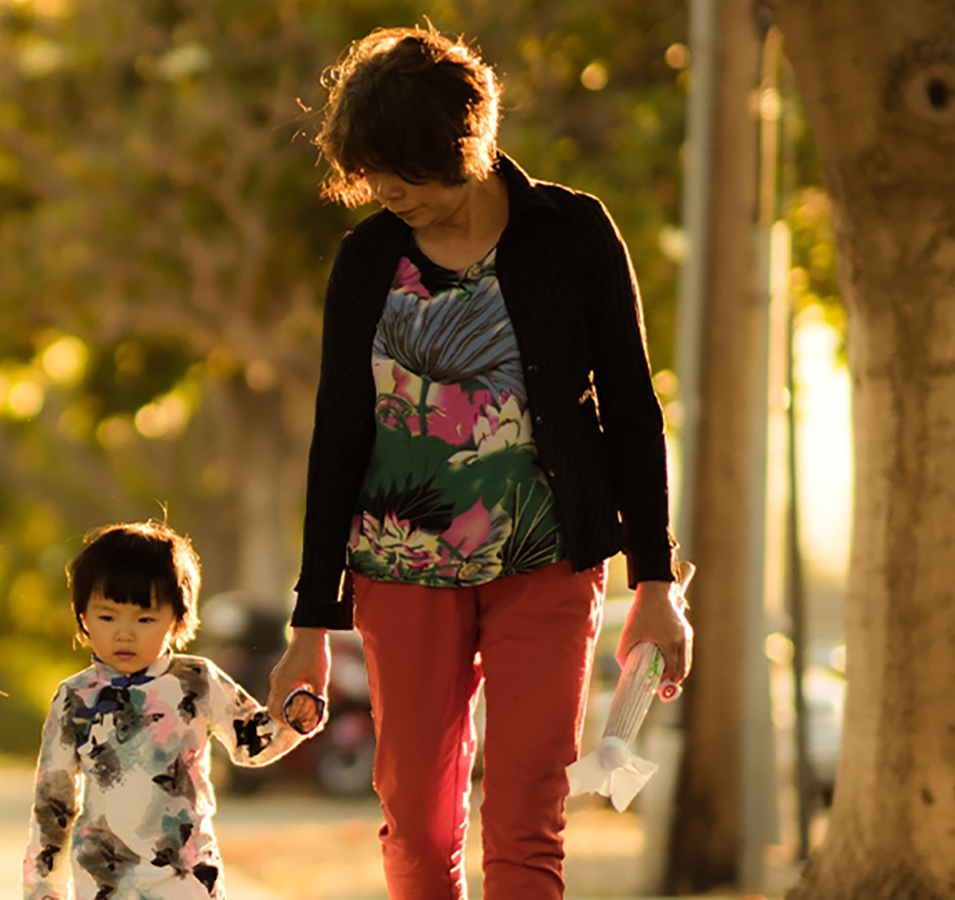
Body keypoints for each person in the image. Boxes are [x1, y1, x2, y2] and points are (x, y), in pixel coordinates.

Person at [266, 25, 694, 900]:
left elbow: (631, 406)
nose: (385, 193)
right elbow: (339, 432)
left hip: (549, 561)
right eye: (370, 175)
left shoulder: (573, 233)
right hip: (400, 568)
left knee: (527, 817)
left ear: (469, 144)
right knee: (419, 828)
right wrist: (310, 624)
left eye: (404, 173)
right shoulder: (368, 259)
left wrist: (654, 584)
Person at [23, 521, 315, 900]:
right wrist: (44, 890)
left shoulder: (197, 681)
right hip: (104, 881)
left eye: (145, 619)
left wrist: (295, 717)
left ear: (177, 620)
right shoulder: (75, 698)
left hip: (188, 876)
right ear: (83, 616)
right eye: (107, 617)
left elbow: (252, 744)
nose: (124, 633)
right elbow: (53, 802)